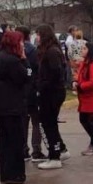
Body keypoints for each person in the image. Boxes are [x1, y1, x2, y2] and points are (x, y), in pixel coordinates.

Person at [0, 30, 30, 184]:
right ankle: (15, 174)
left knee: (5, 141)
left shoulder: (1, 57)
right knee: (15, 141)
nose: (22, 44)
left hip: (1, 106)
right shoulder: (12, 61)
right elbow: (26, 76)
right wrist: (25, 61)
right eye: (20, 42)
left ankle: (6, 173)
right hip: (12, 107)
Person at [35, 24, 71, 170]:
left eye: (37, 34)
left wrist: (40, 86)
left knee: (48, 123)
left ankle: (54, 156)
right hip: (51, 92)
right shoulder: (49, 51)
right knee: (50, 123)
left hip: (52, 93)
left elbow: (55, 74)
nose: (36, 38)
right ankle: (60, 149)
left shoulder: (52, 52)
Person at [16, 26, 45, 162]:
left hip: (20, 90)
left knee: (23, 122)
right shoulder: (33, 50)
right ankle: (36, 151)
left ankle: (23, 150)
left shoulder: (14, 49)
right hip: (32, 89)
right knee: (36, 121)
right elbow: (36, 70)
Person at [76, 42, 93, 156]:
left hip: (92, 98)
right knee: (83, 119)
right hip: (84, 97)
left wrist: (81, 86)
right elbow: (79, 76)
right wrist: (76, 82)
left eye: (84, 48)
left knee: (92, 121)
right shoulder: (84, 63)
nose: (82, 50)